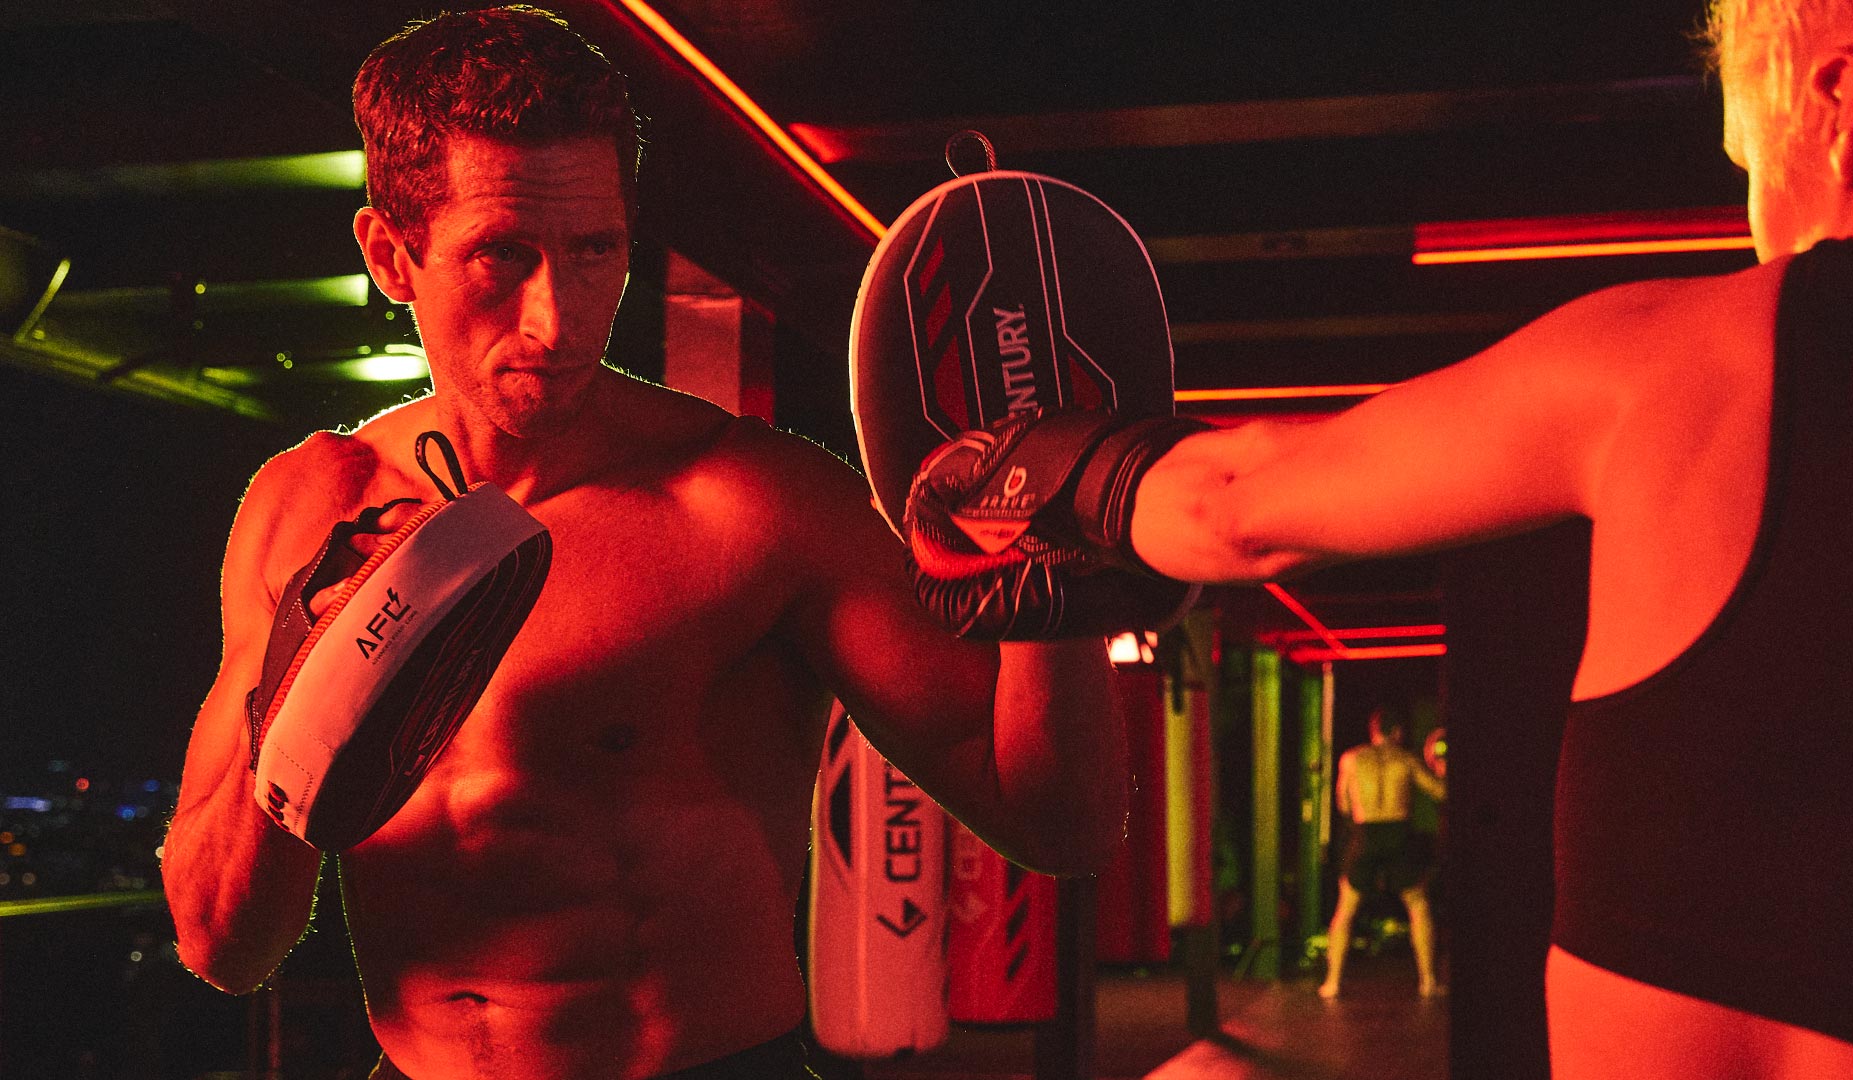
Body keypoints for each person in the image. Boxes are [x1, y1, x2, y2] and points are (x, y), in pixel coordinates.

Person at [907, 0, 1853, 1075]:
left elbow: (1235, 506)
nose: (1753, 220)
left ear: (1840, 108)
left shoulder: (1709, 355)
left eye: (1748, 162)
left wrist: (1018, 470)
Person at [160, 10, 1128, 1080]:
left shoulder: (755, 504)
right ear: (393, 256)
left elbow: (1059, 828)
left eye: (594, 251)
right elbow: (220, 946)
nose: (558, 319)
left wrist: (1055, 562)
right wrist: (302, 698)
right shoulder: (306, 507)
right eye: (502, 257)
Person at [1317, 707, 1445, 1000]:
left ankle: (1332, 982)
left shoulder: (1351, 759)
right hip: (1397, 833)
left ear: (1373, 730)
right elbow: (1440, 793)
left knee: (1346, 908)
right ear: (1397, 732)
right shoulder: (1406, 759)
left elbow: (1344, 805)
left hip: (1367, 834)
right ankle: (1428, 981)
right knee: (1417, 904)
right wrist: (1441, 769)